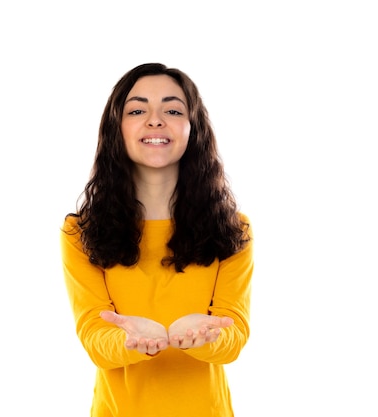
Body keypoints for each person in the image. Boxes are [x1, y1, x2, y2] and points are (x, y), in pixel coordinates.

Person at [60, 62, 254, 416]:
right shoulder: (80, 233)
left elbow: (233, 334)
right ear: (116, 129)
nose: (155, 120)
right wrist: (131, 341)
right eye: (137, 110)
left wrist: (207, 337)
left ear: (192, 129)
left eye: (173, 109)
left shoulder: (232, 229)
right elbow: (94, 338)